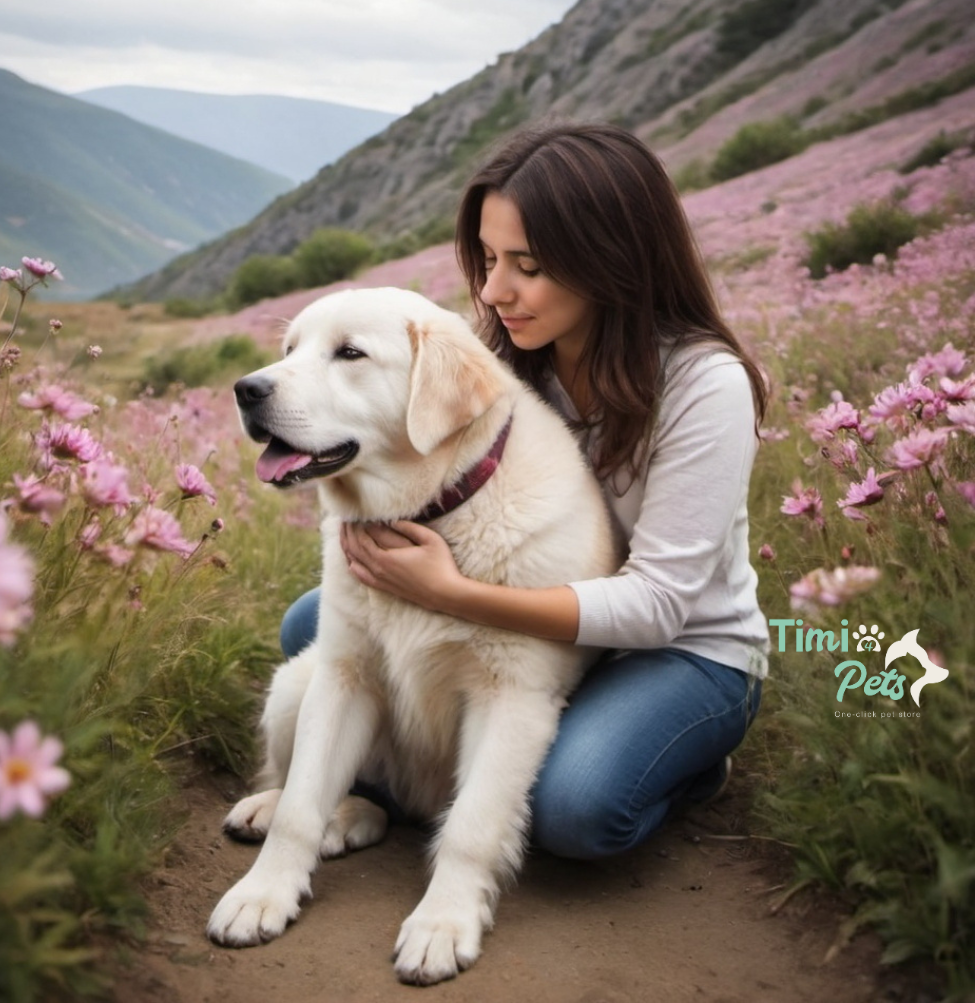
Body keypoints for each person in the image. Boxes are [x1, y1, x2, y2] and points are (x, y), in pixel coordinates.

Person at [280, 121, 771, 860]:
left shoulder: (705, 384)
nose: (494, 290)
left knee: (575, 810)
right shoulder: (513, 353)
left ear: (612, 259)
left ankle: (690, 766)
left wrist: (451, 596)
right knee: (311, 626)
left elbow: (659, 603)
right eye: (486, 259)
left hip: (678, 649)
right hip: (552, 624)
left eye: (528, 265)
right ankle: (399, 790)